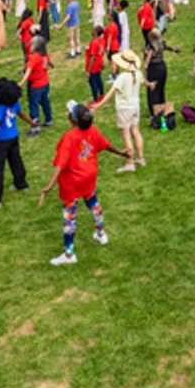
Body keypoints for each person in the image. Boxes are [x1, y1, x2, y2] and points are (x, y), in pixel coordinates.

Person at [37, 102, 130, 266]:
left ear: (71, 119)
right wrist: (121, 152)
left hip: (72, 182)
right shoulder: (92, 130)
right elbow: (105, 144)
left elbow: (60, 164)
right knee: (93, 202)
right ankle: (101, 234)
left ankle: (69, 254)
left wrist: (49, 186)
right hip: (89, 176)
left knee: (70, 216)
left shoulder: (69, 137)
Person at [88, 50, 146, 171]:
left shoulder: (122, 77)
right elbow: (144, 83)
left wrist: (98, 105)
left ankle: (130, 163)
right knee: (136, 131)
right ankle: (140, 158)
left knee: (126, 136)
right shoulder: (138, 73)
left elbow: (110, 93)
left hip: (124, 109)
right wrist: (151, 85)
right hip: (135, 107)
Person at [0, 78, 30, 210]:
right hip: (13, 137)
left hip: (2, 142)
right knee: (16, 160)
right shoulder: (14, 104)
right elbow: (22, 115)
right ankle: (21, 183)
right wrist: (31, 122)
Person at [19, 35, 55, 129]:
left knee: (33, 105)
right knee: (45, 102)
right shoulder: (44, 54)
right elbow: (49, 63)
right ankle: (49, 120)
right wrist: (51, 65)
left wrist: (21, 83)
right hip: (45, 82)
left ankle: (35, 127)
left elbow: (28, 71)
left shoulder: (34, 57)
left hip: (36, 85)